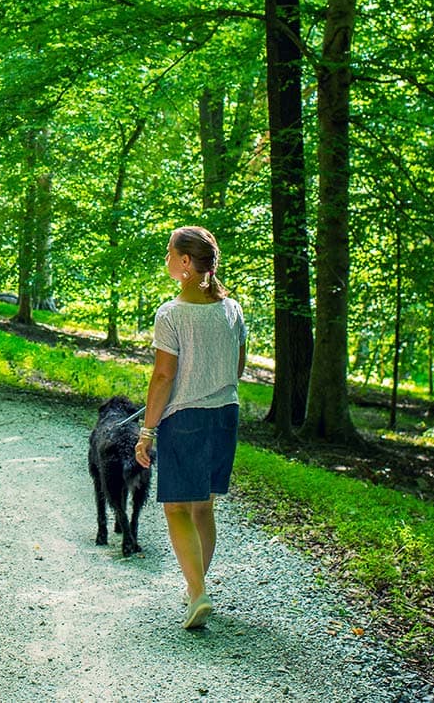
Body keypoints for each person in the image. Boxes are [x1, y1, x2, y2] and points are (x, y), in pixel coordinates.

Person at [134, 225, 247, 630]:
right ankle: (195, 588)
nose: (165, 260)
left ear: (185, 263)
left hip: (186, 420)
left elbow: (163, 376)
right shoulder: (232, 310)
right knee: (204, 506)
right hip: (226, 415)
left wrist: (146, 432)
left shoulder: (171, 314)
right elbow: (238, 363)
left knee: (177, 507)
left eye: (169, 254)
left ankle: (197, 592)